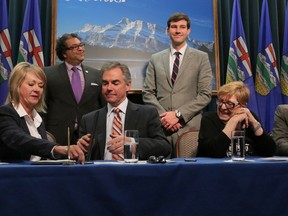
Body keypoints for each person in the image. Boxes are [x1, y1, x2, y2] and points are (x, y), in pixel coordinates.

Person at [142, 12, 212, 157]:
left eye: (182, 27)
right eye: (174, 27)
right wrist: (165, 118)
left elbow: (205, 95)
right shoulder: (155, 59)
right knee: (161, 174)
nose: (178, 30)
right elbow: (148, 93)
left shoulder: (201, 58)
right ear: (168, 31)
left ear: (188, 30)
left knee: (190, 175)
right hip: (162, 129)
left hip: (189, 128)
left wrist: (178, 115)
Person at [77, 61, 171, 160]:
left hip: (134, 172)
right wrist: (82, 149)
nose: (109, 88)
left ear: (128, 85)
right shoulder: (89, 120)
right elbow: (84, 157)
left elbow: (164, 147)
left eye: (115, 83)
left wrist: (134, 144)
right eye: (105, 83)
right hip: (101, 173)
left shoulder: (147, 114)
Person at [0, 62, 84, 163]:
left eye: (41, 86)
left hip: (38, 175)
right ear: (16, 86)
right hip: (13, 176)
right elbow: (18, 139)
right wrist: (56, 148)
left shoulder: (38, 118)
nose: (37, 90)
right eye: (31, 84)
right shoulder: (5, 113)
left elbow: (42, 154)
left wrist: (72, 152)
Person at [43, 33, 105, 145]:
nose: (81, 49)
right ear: (64, 53)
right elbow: (42, 106)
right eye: (75, 47)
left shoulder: (96, 74)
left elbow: (103, 106)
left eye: (81, 45)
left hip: (88, 135)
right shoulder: (48, 74)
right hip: (57, 135)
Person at [197, 81, 275, 158]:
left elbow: (269, 151)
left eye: (229, 104)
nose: (223, 107)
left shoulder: (249, 118)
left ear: (242, 106)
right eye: (221, 101)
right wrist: (233, 121)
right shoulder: (209, 119)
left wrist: (254, 123)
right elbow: (216, 152)